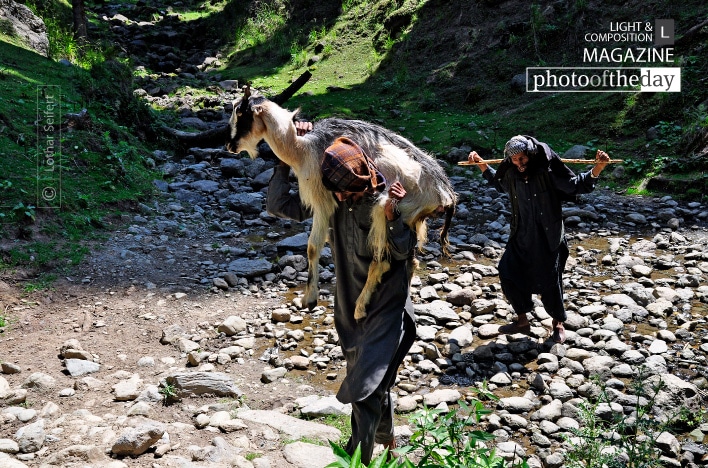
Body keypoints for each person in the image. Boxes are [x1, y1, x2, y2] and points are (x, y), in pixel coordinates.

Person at [267, 124, 417, 464]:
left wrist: (393, 216)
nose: (343, 198)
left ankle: (359, 456)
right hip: (349, 307)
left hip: (387, 307)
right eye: (338, 193)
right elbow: (279, 206)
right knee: (372, 382)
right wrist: (287, 158)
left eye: (349, 194)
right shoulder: (328, 195)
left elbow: (404, 251)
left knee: (365, 385)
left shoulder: (387, 196)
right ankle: (389, 441)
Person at [467, 135, 610, 344]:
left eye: (522, 159)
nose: (519, 164)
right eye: (514, 160)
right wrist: (481, 164)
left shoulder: (547, 171)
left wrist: (599, 167)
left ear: (531, 155)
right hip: (521, 234)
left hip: (547, 236)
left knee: (551, 280)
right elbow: (499, 184)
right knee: (508, 272)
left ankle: (557, 323)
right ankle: (522, 320)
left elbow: (576, 185)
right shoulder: (512, 174)